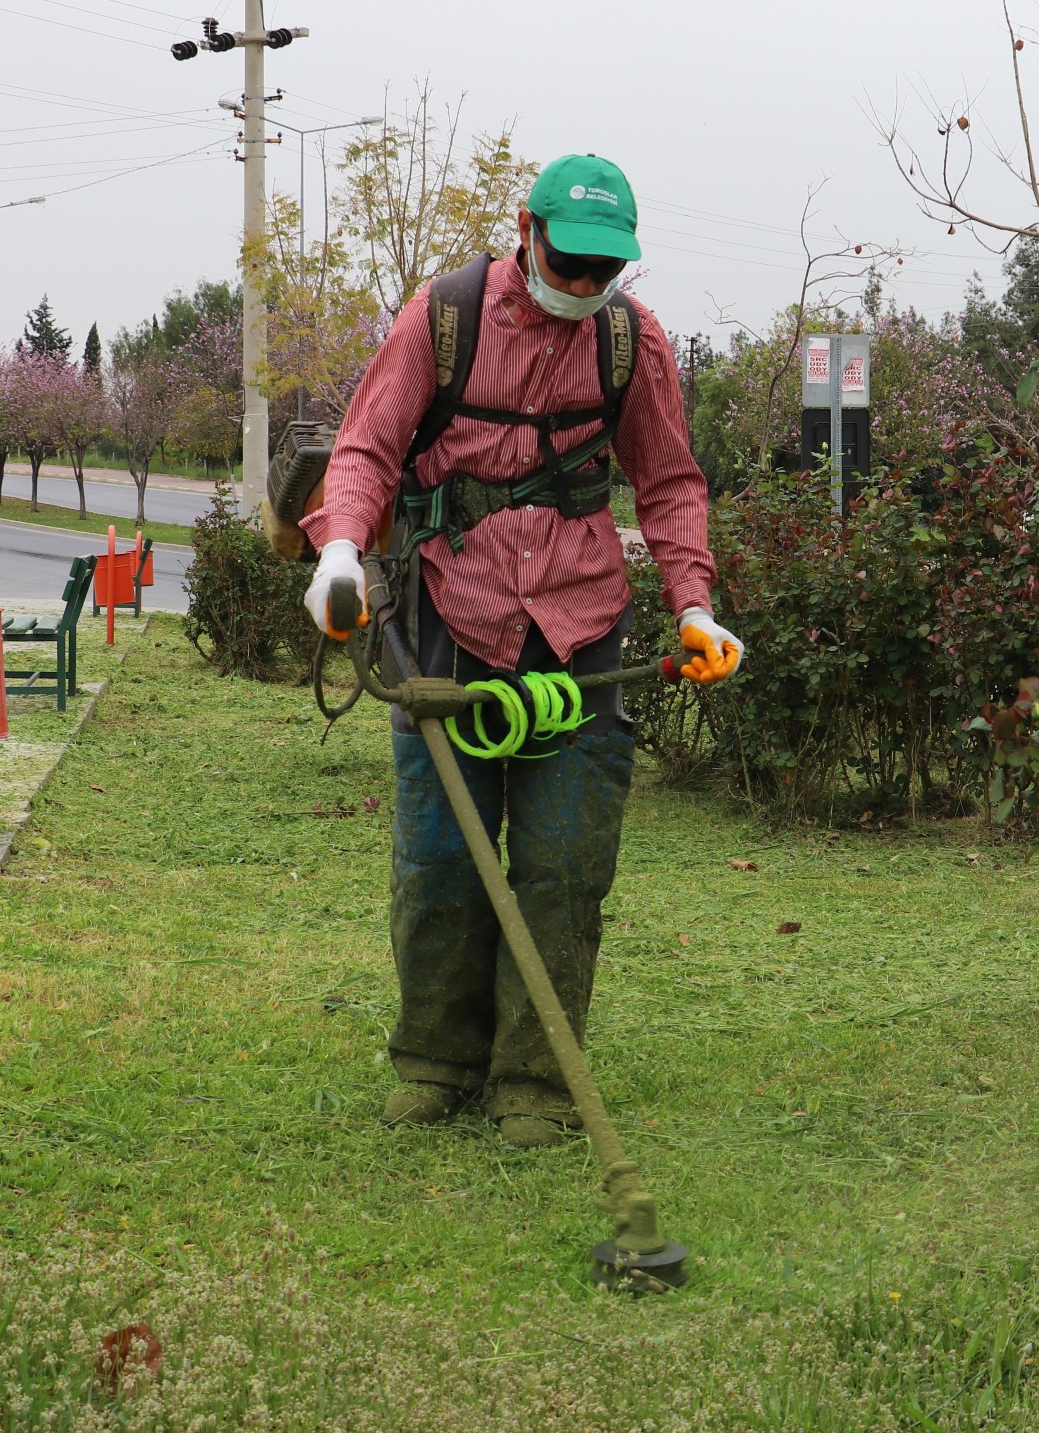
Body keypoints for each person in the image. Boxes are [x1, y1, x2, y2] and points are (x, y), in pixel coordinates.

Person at [302, 154, 743, 1149]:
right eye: (570, 260)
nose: (584, 282)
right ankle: (435, 1062)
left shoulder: (631, 342)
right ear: (526, 229)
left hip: (580, 630)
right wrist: (339, 550)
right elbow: (367, 448)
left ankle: (535, 1082)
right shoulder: (443, 319)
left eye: (604, 268)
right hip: (447, 620)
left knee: (563, 868)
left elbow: (670, 482)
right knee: (440, 860)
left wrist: (694, 607)